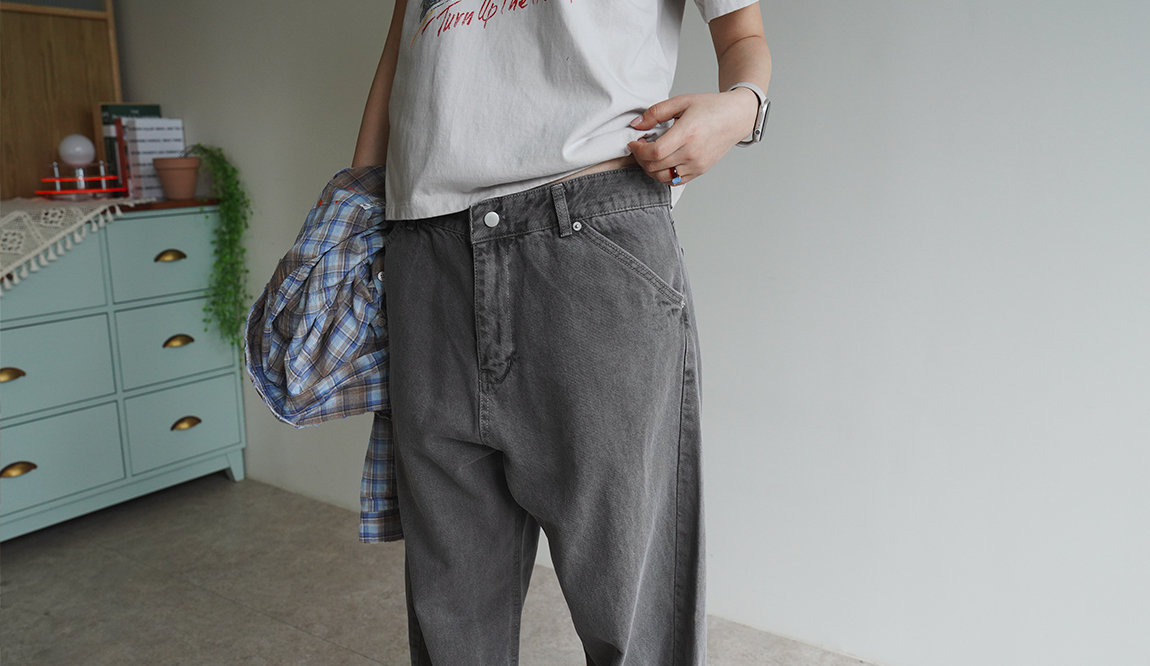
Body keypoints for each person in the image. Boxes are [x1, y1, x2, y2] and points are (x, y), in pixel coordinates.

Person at [351, 0, 771, 663]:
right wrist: (351, 210)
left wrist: (743, 107)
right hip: (424, 251)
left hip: (589, 237)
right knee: (452, 620)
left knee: (633, 620)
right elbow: (397, 52)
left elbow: (742, 31)